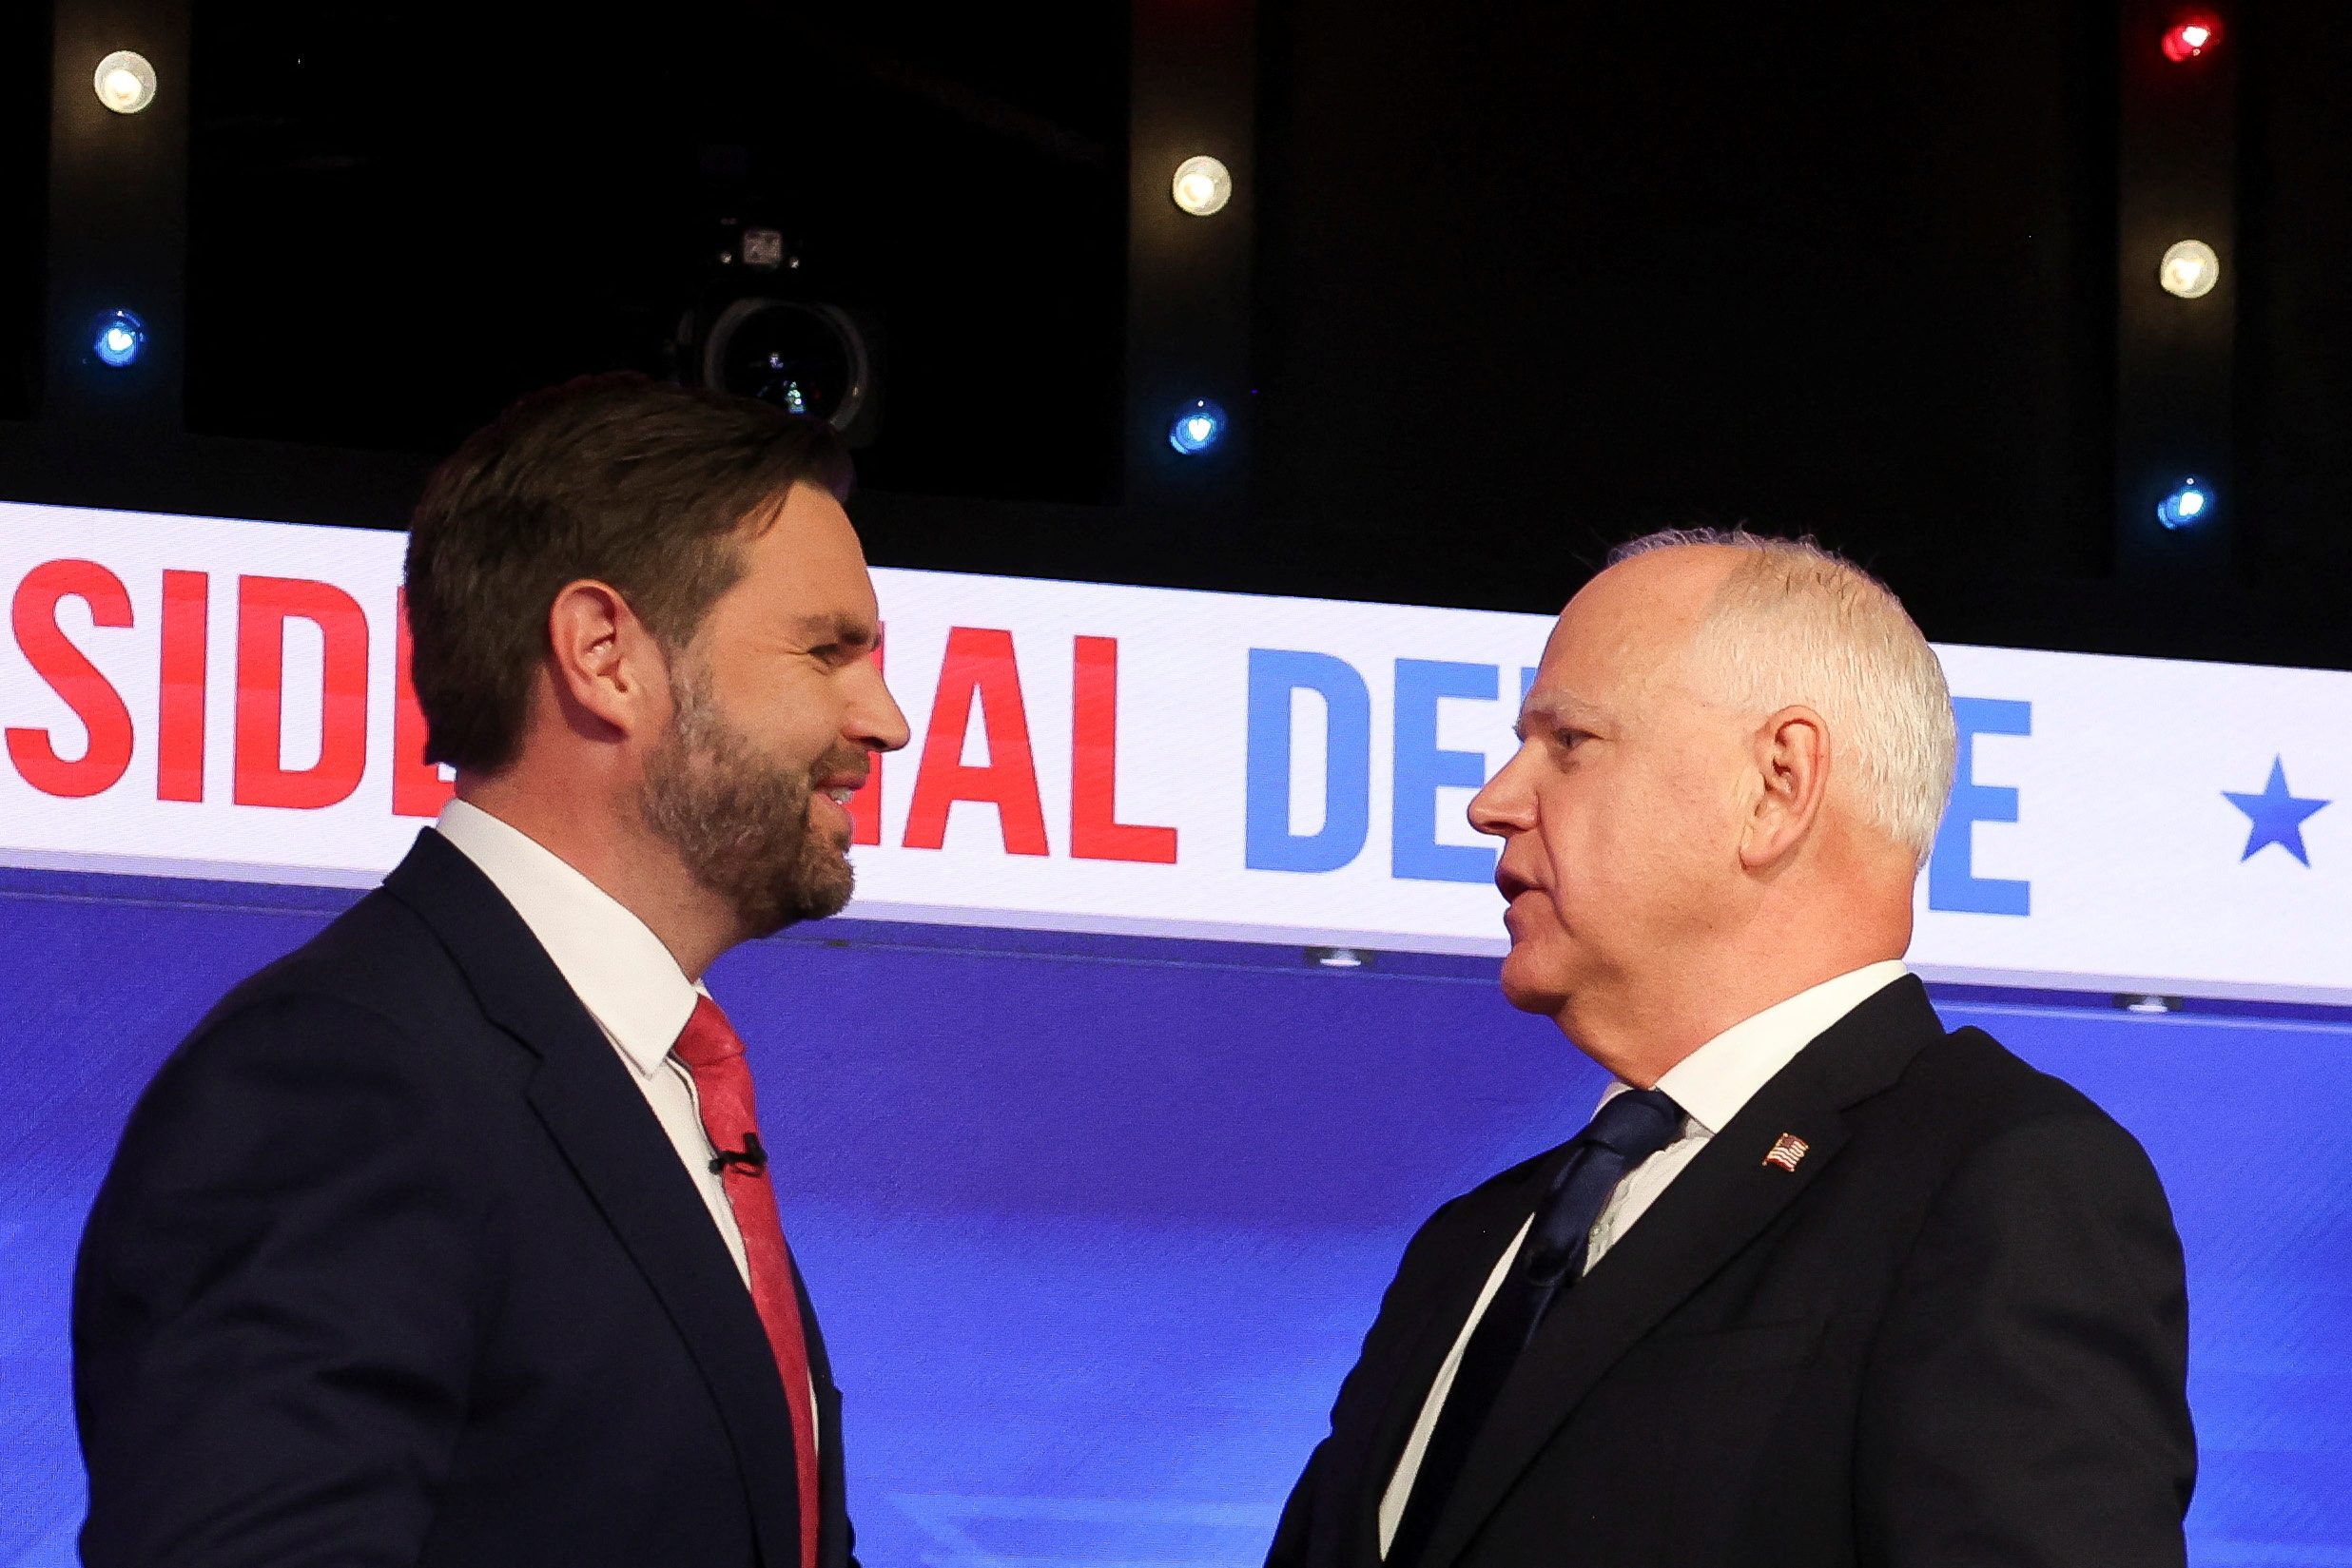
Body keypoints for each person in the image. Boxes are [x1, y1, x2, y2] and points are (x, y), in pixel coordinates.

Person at [73, 377, 909, 1568]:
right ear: (604, 653)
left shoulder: (649, 1071)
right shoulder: (338, 1080)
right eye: (829, 648)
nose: (887, 717)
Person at [1267, 532, 2194, 1568]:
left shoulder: (1998, 1180)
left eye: (1567, 741)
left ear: (1776, 783)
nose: (1491, 800)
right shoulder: (1470, 1244)